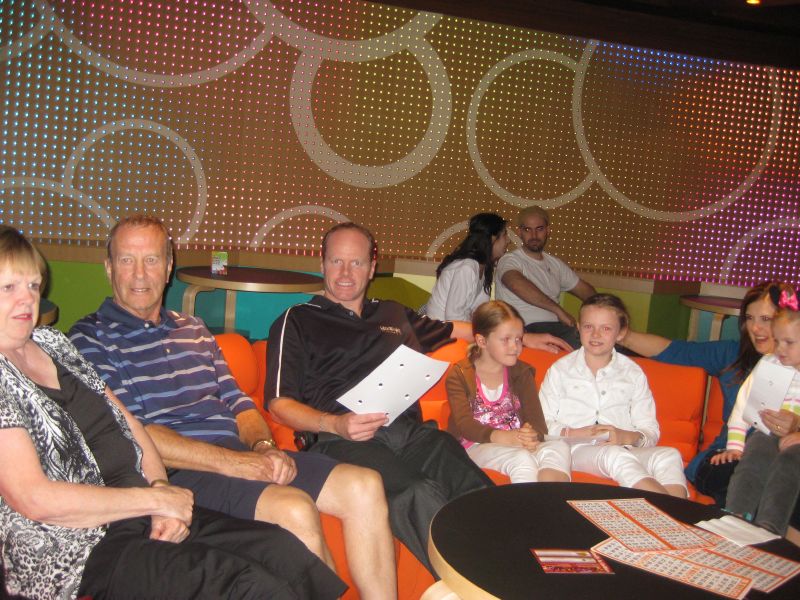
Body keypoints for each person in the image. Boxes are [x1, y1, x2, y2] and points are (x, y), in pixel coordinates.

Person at [0, 225, 345, 600]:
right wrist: (156, 501)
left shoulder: (53, 343)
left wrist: (160, 489)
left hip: (133, 509)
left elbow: (129, 427)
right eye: (8, 287)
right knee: (250, 584)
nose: (26, 299)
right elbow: (34, 499)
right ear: (110, 268)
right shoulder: (53, 352)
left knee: (283, 551)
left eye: (32, 285)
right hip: (75, 551)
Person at [69, 216, 395, 599]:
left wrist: (263, 448)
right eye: (127, 260)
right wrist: (238, 463)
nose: (140, 274)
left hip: (237, 457)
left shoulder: (194, 328)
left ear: (169, 266)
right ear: (109, 268)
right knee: (293, 507)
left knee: (364, 485)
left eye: (152, 260)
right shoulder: (89, 339)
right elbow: (135, 436)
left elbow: (240, 404)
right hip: (178, 471)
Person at [266, 222, 571, 573]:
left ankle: (530, 568)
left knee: (471, 484)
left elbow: (454, 328)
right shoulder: (297, 320)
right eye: (337, 261)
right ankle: (476, 582)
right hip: (343, 438)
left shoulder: (393, 314)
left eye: (356, 262)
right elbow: (279, 404)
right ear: (322, 264)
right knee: (416, 492)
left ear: (372, 267)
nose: (346, 273)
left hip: (410, 433)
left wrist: (520, 338)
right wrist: (334, 423)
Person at [619, 282, 780, 505]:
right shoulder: (733, 355)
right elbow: (675, 351)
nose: (755, 328)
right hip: (724, 459)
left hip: (775, 463)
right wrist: (620, 335)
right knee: (744, 478)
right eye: (750, 318)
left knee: (778, 480)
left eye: (765, 319)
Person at [539, 293, 688, 498]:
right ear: (579, 328)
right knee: (613, 455)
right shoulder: (560, 370)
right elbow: (541, 422)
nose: (596, 334)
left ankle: (677, 511)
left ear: (620, 333)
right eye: (588, 326)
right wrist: (574, 432)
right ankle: (669, 511)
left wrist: (627, 436)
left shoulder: (633, 373)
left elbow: (650, 429)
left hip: (624, 447)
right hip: (574, 449)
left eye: (606, 328)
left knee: (669, 455)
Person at [445, 300, 571, 483]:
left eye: (518, 339)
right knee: (521, 458)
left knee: (559, 447)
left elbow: (537, 423)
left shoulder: (522, 373)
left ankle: (549, 494)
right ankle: (524, 501)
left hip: (517, 440)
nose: (515, 347)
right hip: (476, 445)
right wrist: (502, 437)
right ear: (482, 341)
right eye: (506, 340)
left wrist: (531, 434)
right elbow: (465, 425)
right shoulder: (460, 374)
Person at [711, 284, 800, 535]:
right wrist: (735, 446)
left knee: (787, 467)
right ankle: (736, 514)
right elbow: (743, 406)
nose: (779, 349)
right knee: (754, 456)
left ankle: (769, 526)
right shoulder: (770, 363)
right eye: (778, 341)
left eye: (789, 342)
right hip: (767, 432)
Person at [495, 205, 596, 349]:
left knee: (607, 341)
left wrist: (601, 315)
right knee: (589, 344)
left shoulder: (555, 264)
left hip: (556, 327)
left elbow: (585, 290)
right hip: (524, 328)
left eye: (539, 229)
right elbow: (516, 284)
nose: (534, 235)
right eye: (528, 229)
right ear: (520, 232)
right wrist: (558, 311)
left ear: (548, 230)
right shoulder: (510, 260)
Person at [421, 213, 509, 322]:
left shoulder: (483, 267)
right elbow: (453, 316)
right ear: (492, 238)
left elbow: (478, 310)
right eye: (505, 234)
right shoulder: (467, 268)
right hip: (441, 328)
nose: (508, 240)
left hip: (455, 326)